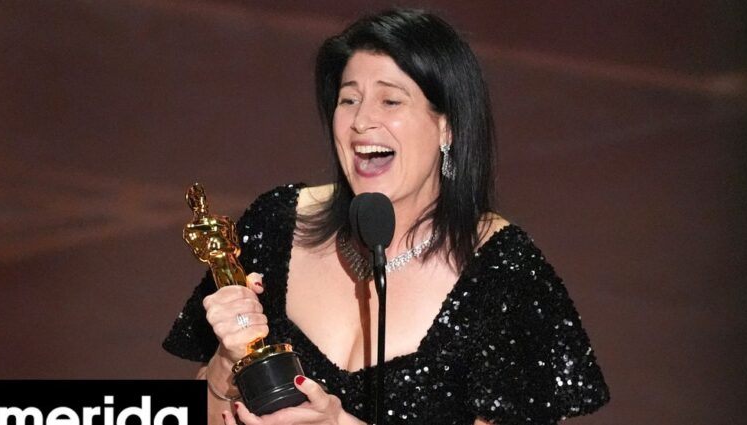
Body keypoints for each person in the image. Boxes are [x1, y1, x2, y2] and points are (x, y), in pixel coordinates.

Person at [163, 8, 610, 424]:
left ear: (448, 125)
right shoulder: (276, 222)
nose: (361, 122)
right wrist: (225, 363)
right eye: (348, 100)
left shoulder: (505, 274)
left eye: (390, 102)